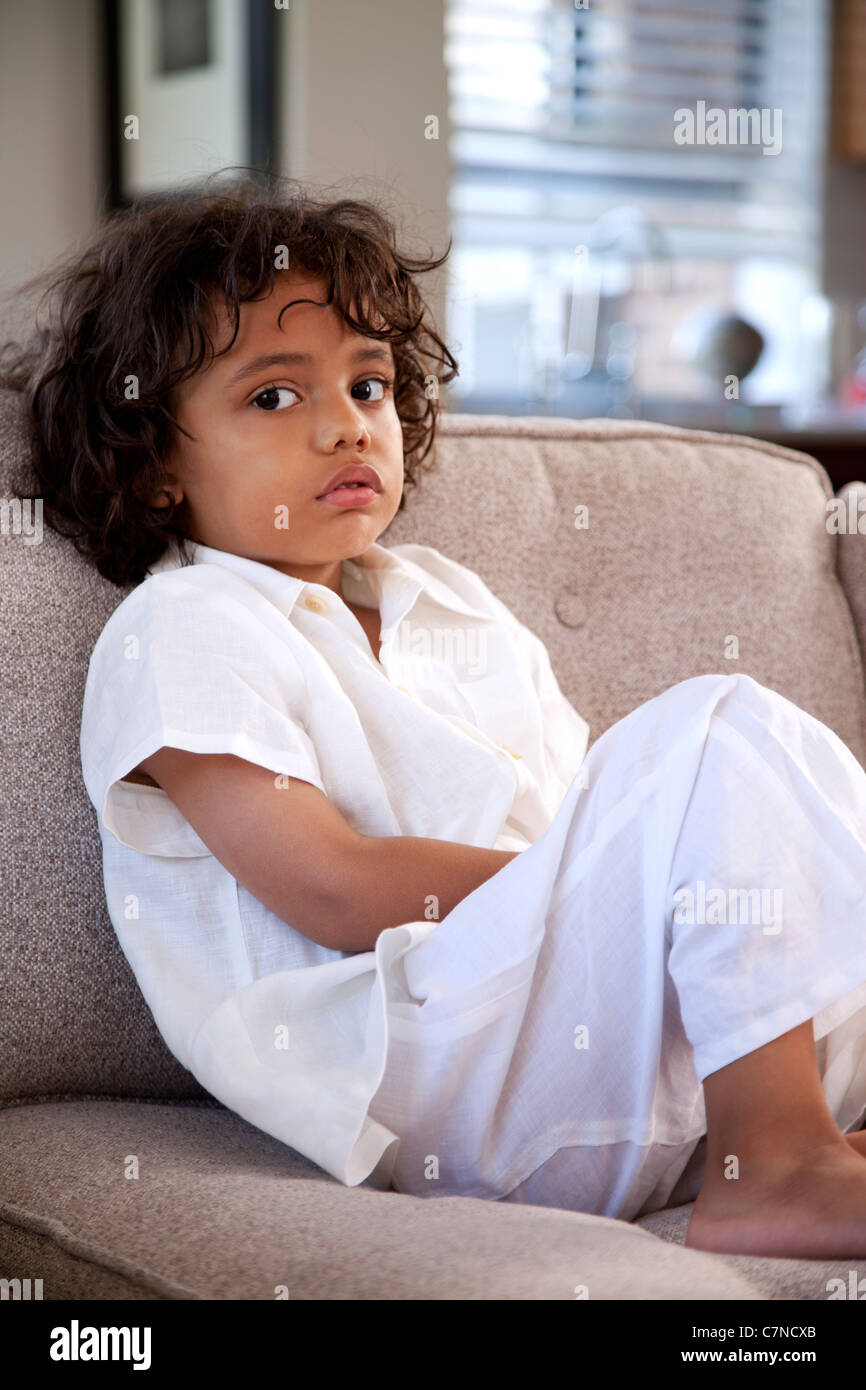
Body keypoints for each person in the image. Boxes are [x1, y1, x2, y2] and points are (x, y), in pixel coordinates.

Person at [6, 171, 866, 1261]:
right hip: (425, 1074)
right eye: (275, 396)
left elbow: (573, 811)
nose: (342, 428)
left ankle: (788, 1124)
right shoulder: (185, 625)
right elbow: (327, 884)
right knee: (711, 731)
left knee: (783, 770)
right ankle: (777, 1164)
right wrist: (634, 883)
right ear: (159, 462)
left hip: (569, 1053)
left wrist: (666, 887)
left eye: (366, 387)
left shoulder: (449, 600)